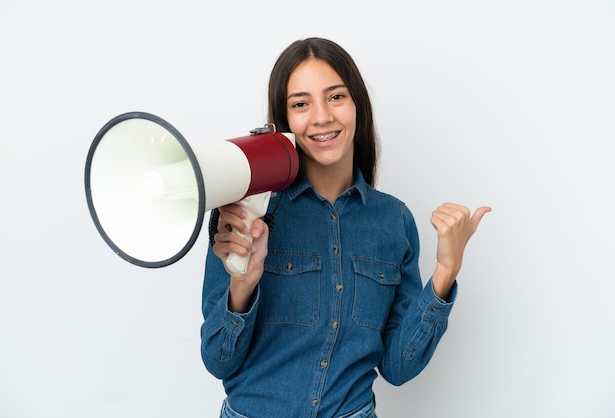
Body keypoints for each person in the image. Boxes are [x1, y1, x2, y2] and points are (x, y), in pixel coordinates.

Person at [201, 37, 490, 418]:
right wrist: (243, 283)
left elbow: (398, 368)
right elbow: (219, 361)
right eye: (301, 104)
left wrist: (445, 274)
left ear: (357, 105)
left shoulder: (393, 221)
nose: (322, 116)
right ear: (284, 119)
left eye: (335, 97)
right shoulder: (246, 211)